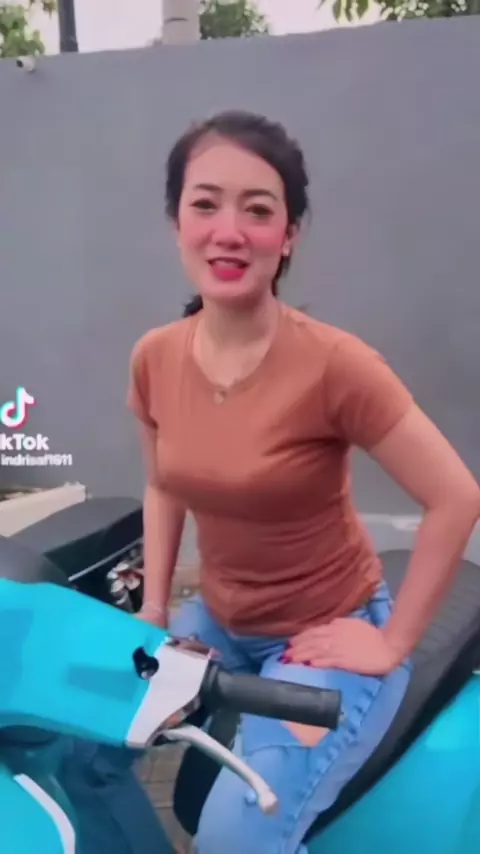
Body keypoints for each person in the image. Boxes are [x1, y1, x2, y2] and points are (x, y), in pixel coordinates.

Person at [128, 110, 480, 854]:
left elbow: (456, 496)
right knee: (77, 740)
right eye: (205, 204)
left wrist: (391, 644)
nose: (229, 231)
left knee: (234, 833)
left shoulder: (335, 365)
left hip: (321, 635)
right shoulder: (155, 357)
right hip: (216, 622)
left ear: (287, 236)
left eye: (258, 211)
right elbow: (162, 485)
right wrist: (155, 608)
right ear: (177, 222)